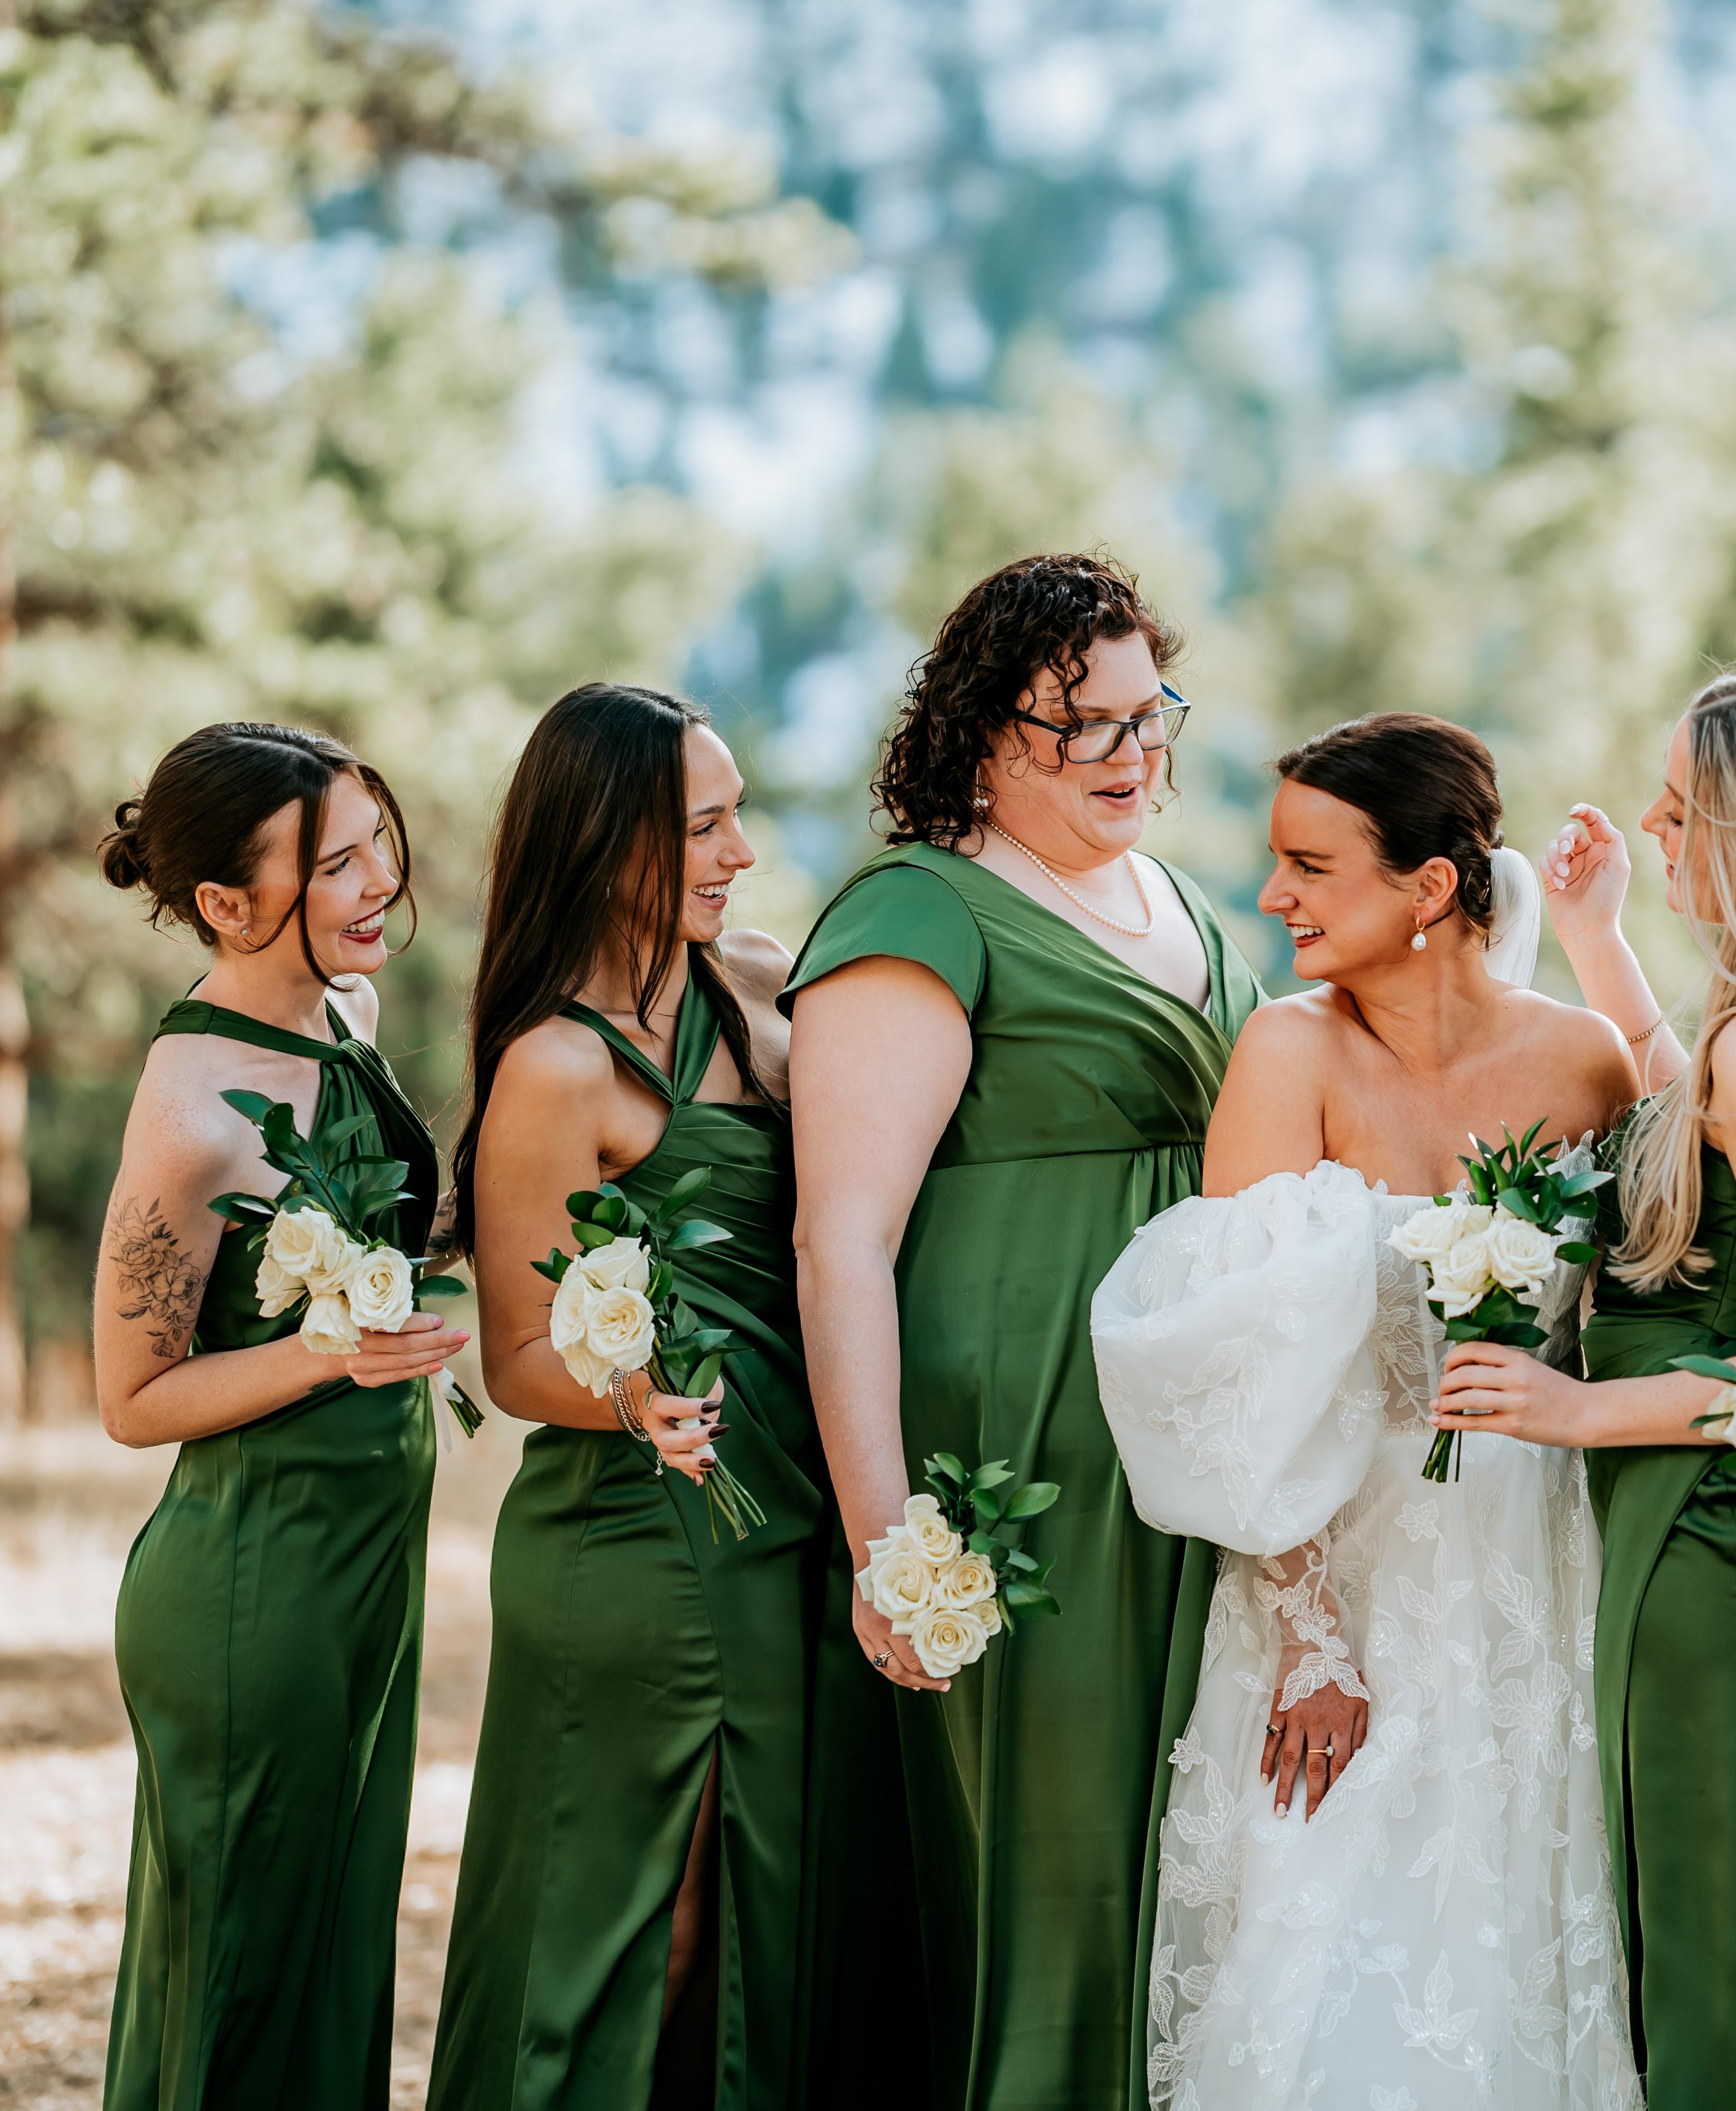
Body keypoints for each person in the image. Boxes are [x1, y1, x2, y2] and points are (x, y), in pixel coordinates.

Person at [1091, 712, 1643, 2110]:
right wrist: (1312, 1635)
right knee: (1326, 1940)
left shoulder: (1588, 1064)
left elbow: (1674, 1264)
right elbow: (1234, 1372)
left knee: (1523, 1922)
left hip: (1539, 1555)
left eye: (1311, 866)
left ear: (1430, 888)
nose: (1274, 893)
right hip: (1337, 1567)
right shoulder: (1290, 1053)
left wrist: (1601, 938)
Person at [786, 553, 1265, 2109]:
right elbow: (842, 1240)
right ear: (986, 733)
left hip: (1191, 1441)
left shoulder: (1183, 903)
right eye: (1086, 727)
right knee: (1056, 1845)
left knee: (1185, 1834)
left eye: (1150, 715)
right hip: (1019, 1450)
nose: (1133, 756)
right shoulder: (919, 912)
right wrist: (886, 1538)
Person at [1433, 671, 1736, 2109]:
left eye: (1679, 809)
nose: (1650, 830)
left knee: (1702, 1936)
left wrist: (1578, 1410)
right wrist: (1599, 939)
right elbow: (1709, 1133)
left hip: (1709, 1538)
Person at [429, 685, 858, 2109]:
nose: (742, 850)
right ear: (609, 842)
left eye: (739, 815)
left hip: (789, 1514)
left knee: (753, 1905)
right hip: (640, 1530)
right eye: (705, 826)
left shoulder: (764, 985)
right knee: (635, 1920)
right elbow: (516, 1355)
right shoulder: (556, 1064)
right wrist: (635, 1403)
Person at [93, 722, 467, 2111]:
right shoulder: (193, 1109)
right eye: (336, 866)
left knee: (331, 1961)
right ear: (227, 903)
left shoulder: (343, 1016)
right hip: (256, 1590)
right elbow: (132, 1397)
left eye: (378, 847)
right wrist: (329, 1351)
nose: (379, 884)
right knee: (240, 1990)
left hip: (364, 1568)